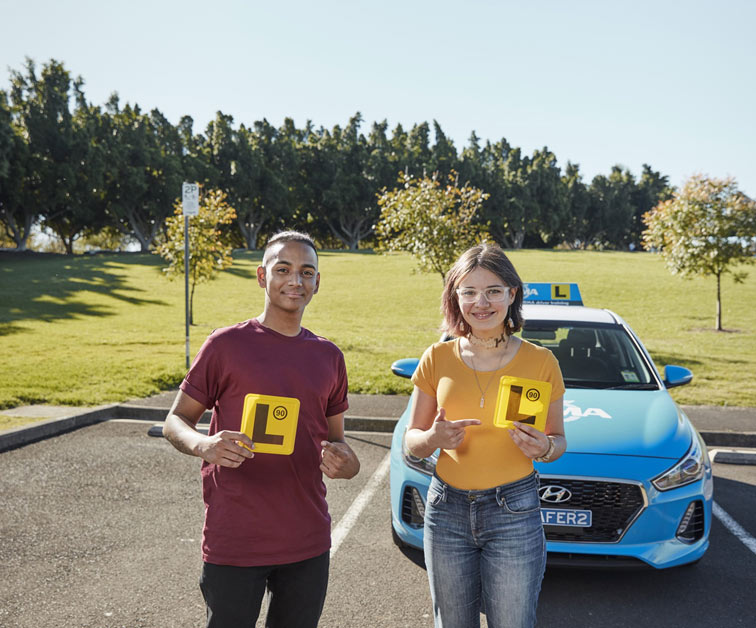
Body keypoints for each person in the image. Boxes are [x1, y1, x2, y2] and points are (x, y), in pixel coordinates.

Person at [163, 230, 360, 628]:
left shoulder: (329, 356)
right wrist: (203, 445)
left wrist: (348, 464)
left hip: (307, 540)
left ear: (317, 282)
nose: (295, 280)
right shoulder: (225, 345)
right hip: (236, 538)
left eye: (307, 272)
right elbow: (175, 421)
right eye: (283, 269)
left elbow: (338, 442)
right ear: (261, 276)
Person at [405, 243, 566, 628]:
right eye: (470, 292)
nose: (481, 303)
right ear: (455, 297)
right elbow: (412, 441)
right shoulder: (436, 357)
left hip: (514, 512)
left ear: (512, 294)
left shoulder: (541, 362)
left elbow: (558, 440)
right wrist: (433, 439)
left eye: (493, 291)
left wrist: (544, 446)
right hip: (446, 510)